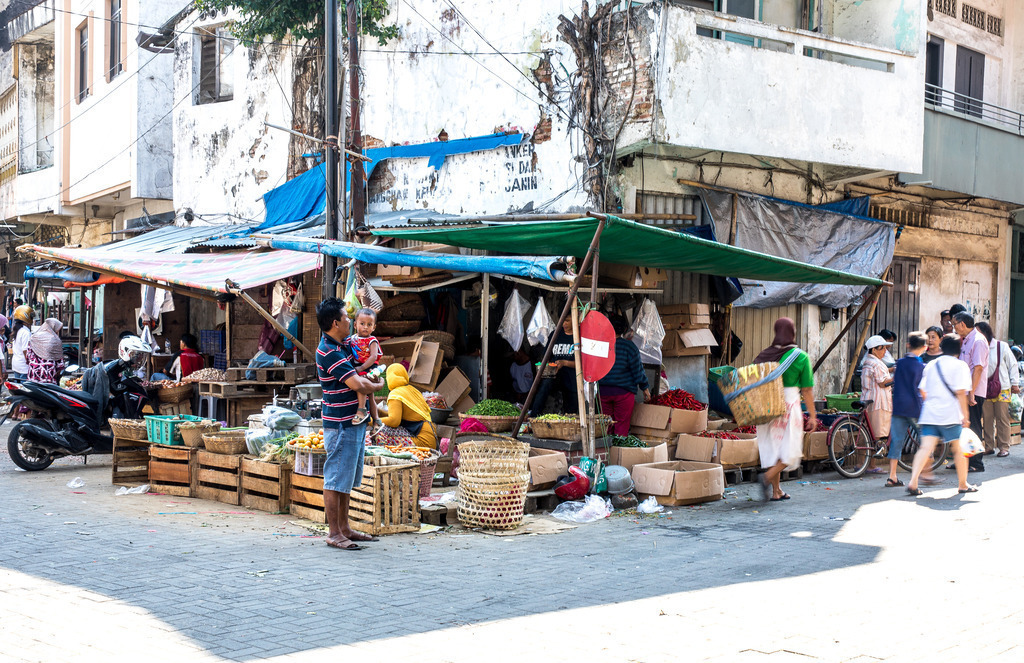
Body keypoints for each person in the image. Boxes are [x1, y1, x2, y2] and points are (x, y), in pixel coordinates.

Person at [315, 297, 385, 551]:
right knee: (335, 479)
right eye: (347, 317)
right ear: (336, 323)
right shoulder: (329, 352)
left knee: (345, 479)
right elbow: (358, 384)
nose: (351, 321)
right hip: (341, 422)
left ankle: (344, 528)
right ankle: (334, 532)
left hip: (354, 421)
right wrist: (378, 385)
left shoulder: (343, 344)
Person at [754, 318, 817, 502]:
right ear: (792, 332)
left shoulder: (765, 355)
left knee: (774, 448)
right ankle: (766, 478)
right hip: (788, 405)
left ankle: (776, 491)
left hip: (767, 405)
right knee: (791, 449)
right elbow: (807, 390)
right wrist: (812, 415)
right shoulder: (801, 357)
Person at [907, 334, 977, 496]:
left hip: (930, 413)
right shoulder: (960, 366)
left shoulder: (931, 365)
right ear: (958, 350)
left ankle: (913, 482)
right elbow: (961, 393)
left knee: (925, 448)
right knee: (959, 450)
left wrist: (933, 403)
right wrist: (965, 416)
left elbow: (923, 390)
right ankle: (963, 484)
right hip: (950, 415)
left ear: (942, 348)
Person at [884, 332, 926, 487]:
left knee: (896, 440)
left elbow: (895, 382)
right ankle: (923, 473)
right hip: (914, 407)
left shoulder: (900, 363)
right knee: (925, 438)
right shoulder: (920, 365)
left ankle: (892, 476)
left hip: (898, 406)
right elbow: (919, 388)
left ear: (908, 345)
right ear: (924, 347)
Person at [598, 314, 651, 436]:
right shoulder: (629, 347)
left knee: (606, 426)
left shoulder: (601, 346)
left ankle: (607, 453)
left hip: (603, 392)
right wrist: (645, 388)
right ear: (624, 329)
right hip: (623, 393)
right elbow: (637, 371)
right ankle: (619, 452)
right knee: (621, 425)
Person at [976, 321, 1019, 458]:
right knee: (987, 419)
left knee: (1002, 418)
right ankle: (988, 446)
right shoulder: (978, 346)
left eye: (978, 332)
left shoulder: (1002, 346)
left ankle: (1004, 447)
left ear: (986, 333)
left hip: (1003, 388)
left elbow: (1013, 365)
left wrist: (1015, 383)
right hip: (985, 388)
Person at [953, 311, 987, 472]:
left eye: (954, 324)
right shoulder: (967, 340)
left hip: (974, 391)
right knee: (965, 425)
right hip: (965, 390)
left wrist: (971, 392)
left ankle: (976, 462)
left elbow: (978, 368)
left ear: (962, 324)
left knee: (973, 425)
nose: (954, 328)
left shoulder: (978, 340)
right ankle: (964, 459)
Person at [377, 364, 437, 449]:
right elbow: (398, 415)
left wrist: (371, 421)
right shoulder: (411, 390)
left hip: (423, 443)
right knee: (383, 428)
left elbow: (394, 421)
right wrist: (379, 412)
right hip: (430, 439)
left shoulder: (396, 394)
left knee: (380, 434)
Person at [528, 317, 577, 417]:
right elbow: (546, 357)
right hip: (554, 375)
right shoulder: (555, 334)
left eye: (567, 320)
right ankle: (533, 418)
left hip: (572, 378)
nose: (564, 324)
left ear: (575, 319)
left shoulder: (579, 336)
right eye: (562, 320)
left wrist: (564, 363)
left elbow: (583, 363)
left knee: (571, 411)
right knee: (543, 388)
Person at [347, 308, 381, 426]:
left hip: (369, 368)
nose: (365, 327)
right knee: (370, 396)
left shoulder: (372, 340)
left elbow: (373, 357)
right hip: (358, 366)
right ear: (355, 325)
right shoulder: (352, 339)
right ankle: (376, 420)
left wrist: (361, 369)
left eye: (369, 324)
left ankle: (361, 410)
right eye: (362, 324)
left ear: (374, 327)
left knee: (361, 387)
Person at [861, 335, 893, 443]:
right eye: (882, 348)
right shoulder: (876, 364)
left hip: (869, 401)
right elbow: (883, 383)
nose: (885, 351)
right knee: (877, 437)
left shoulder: (868, 361)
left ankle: (866, 459)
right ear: (874, 350)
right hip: (879, 404)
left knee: (868, 436)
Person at [26, 318, 66, 384]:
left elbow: (28, 356)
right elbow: (60, 364)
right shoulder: (55, 340)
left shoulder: (33, 337)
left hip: (33, 373)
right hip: (48, 374)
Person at [9, 305, 33, 380]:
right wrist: (29, 362)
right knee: (24, 388)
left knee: (18, 388)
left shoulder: (18, 330)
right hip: (23, 366)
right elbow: (25, 350)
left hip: (16, 364)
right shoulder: (25, 332)